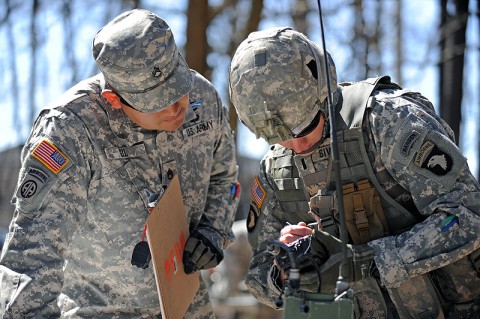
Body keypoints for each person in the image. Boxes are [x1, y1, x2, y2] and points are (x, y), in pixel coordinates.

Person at [0, 9, 240, 318]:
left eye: (179, 87)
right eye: (160, 101)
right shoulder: (71, 130)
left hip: (187, 308)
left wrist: (212, 230)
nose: (180, 105)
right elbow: (32, 256)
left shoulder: (203, 99)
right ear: (115, 100)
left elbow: (224, 176)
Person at [228, 26, 480, 318]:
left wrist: (369, 261)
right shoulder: (276, 171)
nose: (296, 144)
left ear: (323, 91)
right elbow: (259, 276)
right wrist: (288, 269)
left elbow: (466, 213)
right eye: (277, 135)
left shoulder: (388, 122)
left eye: (303, 126)